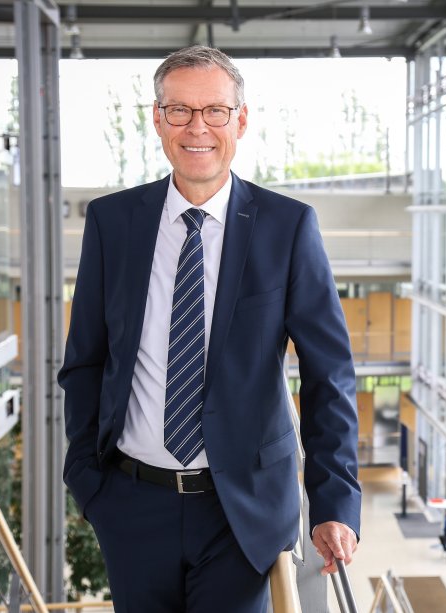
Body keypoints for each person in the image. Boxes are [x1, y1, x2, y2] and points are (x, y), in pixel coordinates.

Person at [58, 45, 361, 612]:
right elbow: (85, 361)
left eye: (215, 111)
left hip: (240, 511)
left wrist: (334, 504)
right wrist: (87, 480)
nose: (197, 127)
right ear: (157, 118)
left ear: (240, 120)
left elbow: (330, 375)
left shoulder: (288, 227)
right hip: (131, 503)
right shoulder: (111, 222)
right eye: (179, 110)